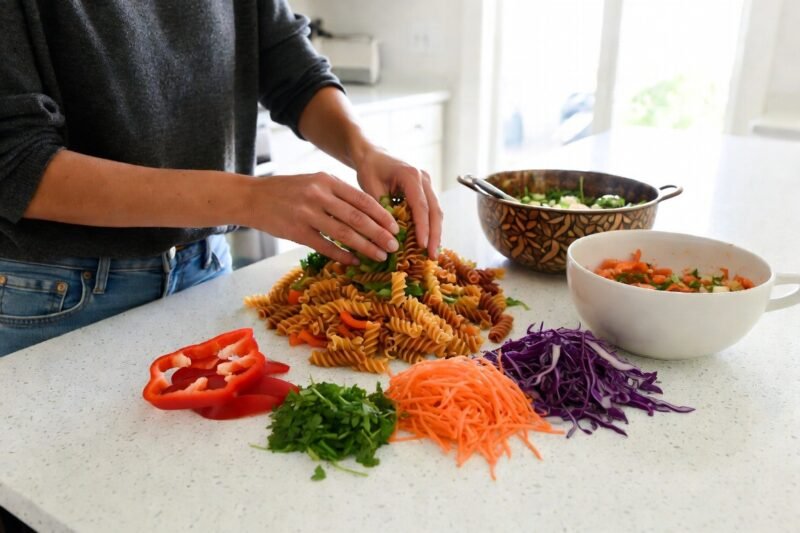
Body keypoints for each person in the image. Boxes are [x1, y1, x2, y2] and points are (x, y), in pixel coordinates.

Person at [0, 1, 443, 357]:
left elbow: (291, 67)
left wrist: (365, 150)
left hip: (205, 269)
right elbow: (16, 162)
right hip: (54, 297)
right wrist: (249, 199)